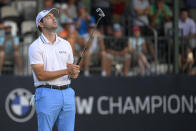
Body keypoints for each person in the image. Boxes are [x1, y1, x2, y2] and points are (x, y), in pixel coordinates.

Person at [28, 8, 80, 131]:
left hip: (67, 93)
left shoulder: (66, 44)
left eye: (53, 16)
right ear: (40, 24)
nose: (53, 18)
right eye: (48, 17)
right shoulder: (35, 46)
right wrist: (67, 71)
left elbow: (71, 74)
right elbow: (40, 75)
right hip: (46, 93)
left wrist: (73, 73)